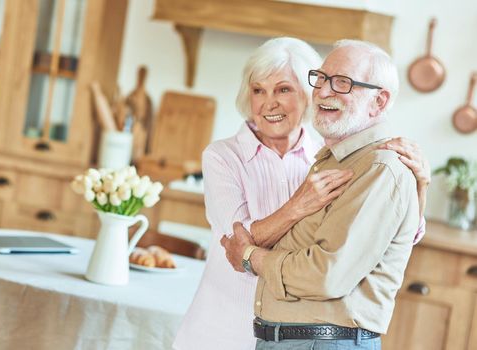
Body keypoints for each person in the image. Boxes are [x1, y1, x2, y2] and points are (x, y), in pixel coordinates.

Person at [173, 37, 430, 350]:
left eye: (283, 89)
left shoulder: (329, 155)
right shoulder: (222, 156)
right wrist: (298, 205)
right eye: (258, 90)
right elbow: (235, 245)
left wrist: (419, 187)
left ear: (306, 96)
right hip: (226, 323)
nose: (270, 103)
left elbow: (383, 235)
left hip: (294, 329)